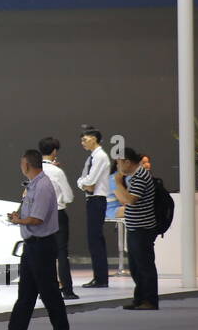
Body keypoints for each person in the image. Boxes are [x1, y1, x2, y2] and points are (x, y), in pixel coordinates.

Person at [0, 150, 71, 330]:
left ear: (26, 165)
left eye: (21, 163)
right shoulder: (34, 185)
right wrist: (19, 218)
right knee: (26, 292)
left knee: (49, 291)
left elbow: (37, 218)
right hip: (33, 245)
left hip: (41, 245)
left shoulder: (42, 186)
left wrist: (19, 220)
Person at [114, 147, 158, 310]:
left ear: (127, 162)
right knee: (136, 266)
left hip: (142, 226)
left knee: (144, 266)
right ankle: (140, 298)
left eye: (119, 162)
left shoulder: (140, 176)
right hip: (135, 226)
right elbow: (124, 198)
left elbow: (130, 200)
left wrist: (118, 183)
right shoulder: (134, 176)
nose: (117, 166)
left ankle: (149, 300)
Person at [37, 136, 77, 300]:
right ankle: (67, 289)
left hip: (39, 215)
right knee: (61, 253)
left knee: (42, 253)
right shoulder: (57, 171)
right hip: (57, 213)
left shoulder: (35, 169)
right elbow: (68, 197)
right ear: (54, 151)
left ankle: (44, 290)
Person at [76, 125, 113, 288]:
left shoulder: (100, 157)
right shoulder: (93, 157)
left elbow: (90, 182)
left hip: (97, 199)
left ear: (94, 138)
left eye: (85, 139)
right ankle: (100, 277)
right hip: (93, 199)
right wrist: (83, 184)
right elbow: (83, 181)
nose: (82, 143)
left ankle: (101, 278)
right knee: (94, 240)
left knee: (95, 240)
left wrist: (84, 183)